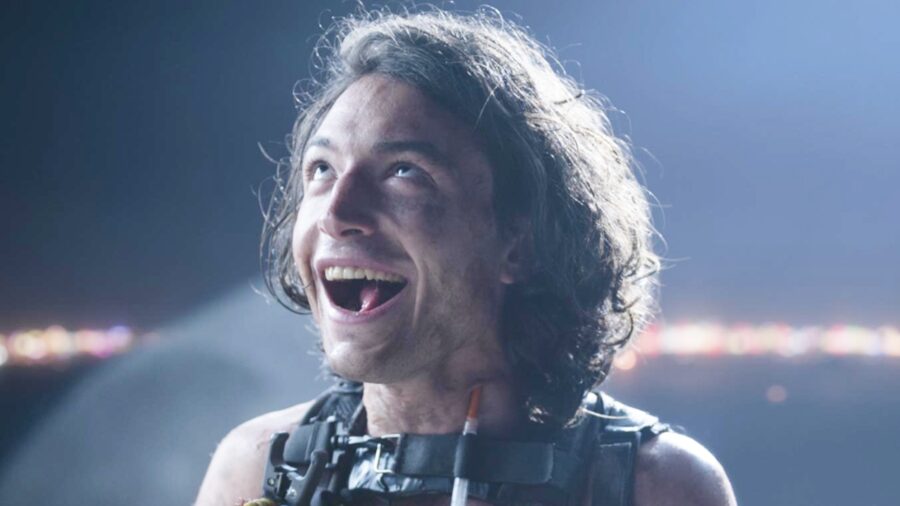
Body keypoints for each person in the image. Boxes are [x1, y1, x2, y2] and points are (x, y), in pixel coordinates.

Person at [196, 7, 736, 506]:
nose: (336, 214)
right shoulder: (255, 468)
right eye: (322, 169)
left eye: (404, 171)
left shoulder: (656, 486)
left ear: (520, 241)